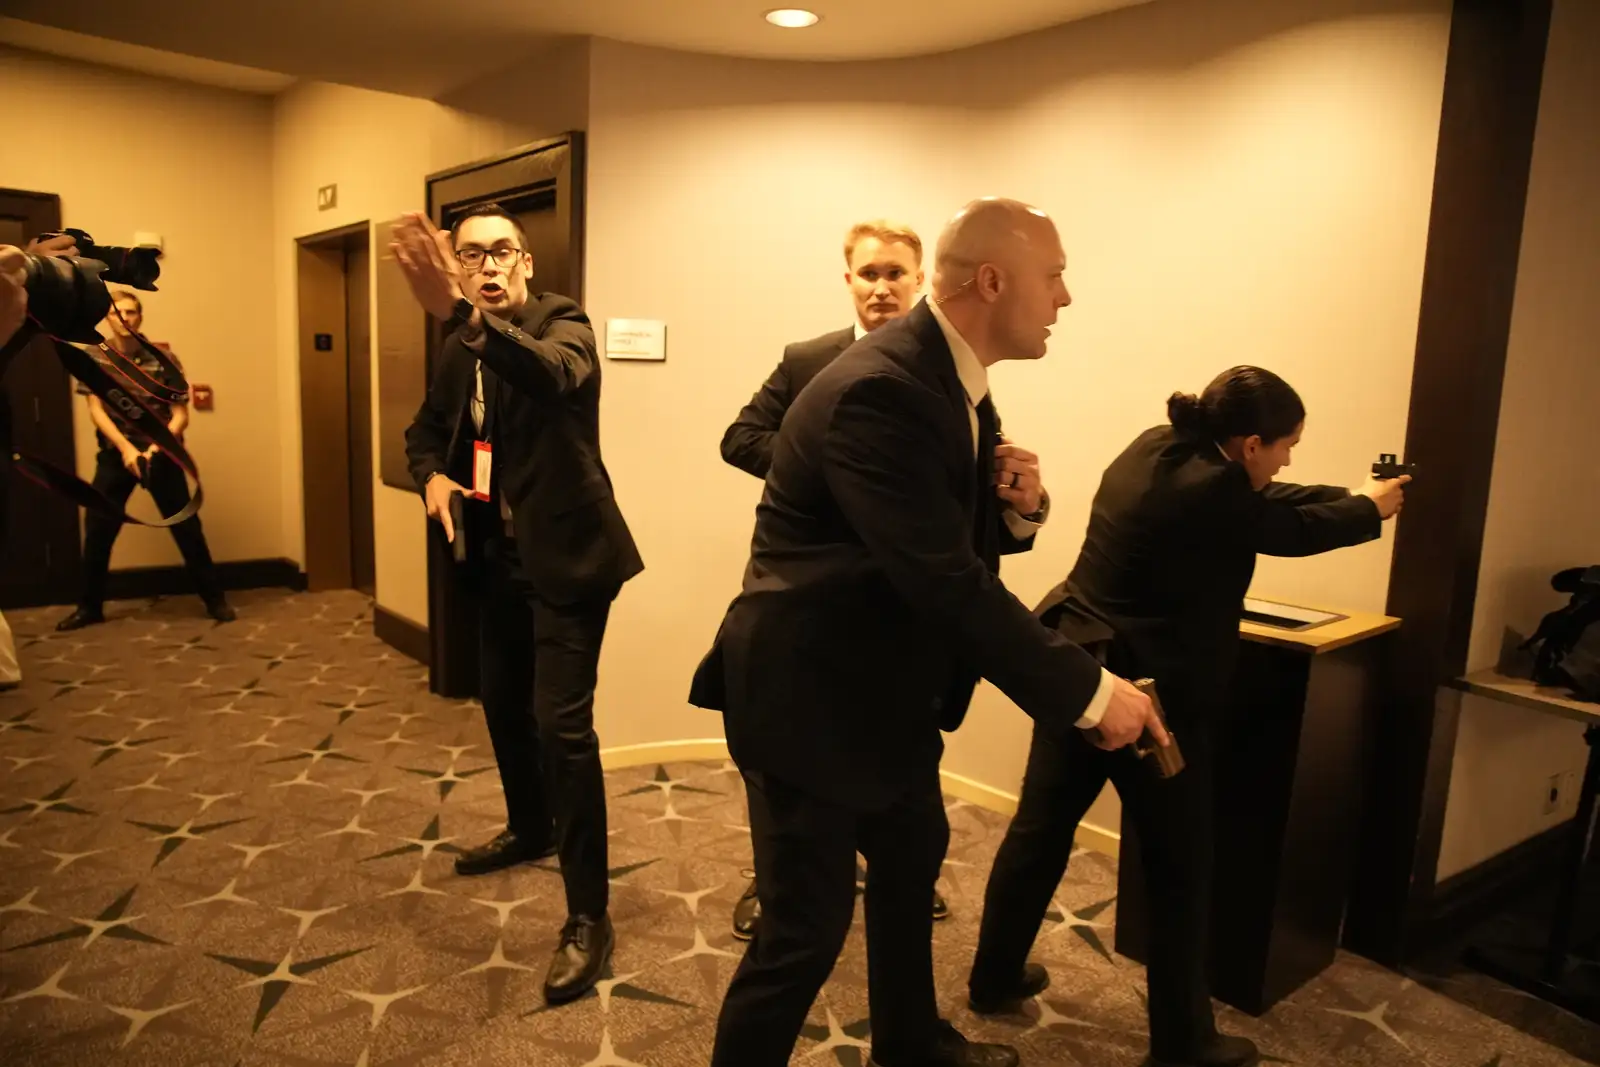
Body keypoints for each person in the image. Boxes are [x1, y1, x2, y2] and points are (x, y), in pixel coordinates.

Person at [688, 197, 1169, 1067]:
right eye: (1053, 276)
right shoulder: (884, 389)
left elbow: (955, 546)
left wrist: (1019, 517)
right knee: (803, 930)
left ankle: (908, 1042)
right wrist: (1091, 694)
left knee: (911, 863)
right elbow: (945, 581)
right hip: (812, 699)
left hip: (886, 690)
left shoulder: (952, 380)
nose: (1065, 298)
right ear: (992, 280)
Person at [966, 366, 1408, 1067]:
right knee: (1179, 869)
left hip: (1080, 663)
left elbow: (1274, 497)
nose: (1290, 458)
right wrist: (1368, 512)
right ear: (1251, 442)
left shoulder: (1161, 444)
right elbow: (1286, 526)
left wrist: (1355, 494)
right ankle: (1184, 1042)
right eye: (1287, 444)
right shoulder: (1216, 493)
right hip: (1151, 699)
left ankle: (992, 977)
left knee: (1039, 831)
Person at [396, 202, 643, 1006]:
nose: (489, 265)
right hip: (494, 557)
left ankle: (588, 915)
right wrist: (431, 471)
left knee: (561, 726)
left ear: (526, 263)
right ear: (458, 266)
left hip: (570, 560)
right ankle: (530, 824)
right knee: (502, 703)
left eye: (502, 252)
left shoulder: (561, 323)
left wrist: (465, 316)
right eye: (471, 256)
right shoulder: (453, 348)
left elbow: (552, 374)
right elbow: (427, 430)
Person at [719, 218, 950, 939]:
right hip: (806, 602)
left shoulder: (950, 369)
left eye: (895, 274)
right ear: (847, 278)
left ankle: (899, 871)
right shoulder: (807, 359)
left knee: (891, 746)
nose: (881, 287)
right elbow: (740, 438)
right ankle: (775, 882)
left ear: (921, 281)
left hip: (894, 604)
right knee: (785, 751)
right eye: (868, 273)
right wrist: (831, 476)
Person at [54, 290, 234, 631]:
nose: (125, 319)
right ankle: (89, 607)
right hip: (116, 455)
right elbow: (96, 410)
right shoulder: (94, 357)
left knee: (187, 528)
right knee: (98, 531)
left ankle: (215, 601)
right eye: (117, 313)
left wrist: (153, 449)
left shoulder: (164, 358)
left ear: (140, 317)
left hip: (161, 455)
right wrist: (126, 449)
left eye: (132, 313)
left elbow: (181, 414)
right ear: (107, 317)